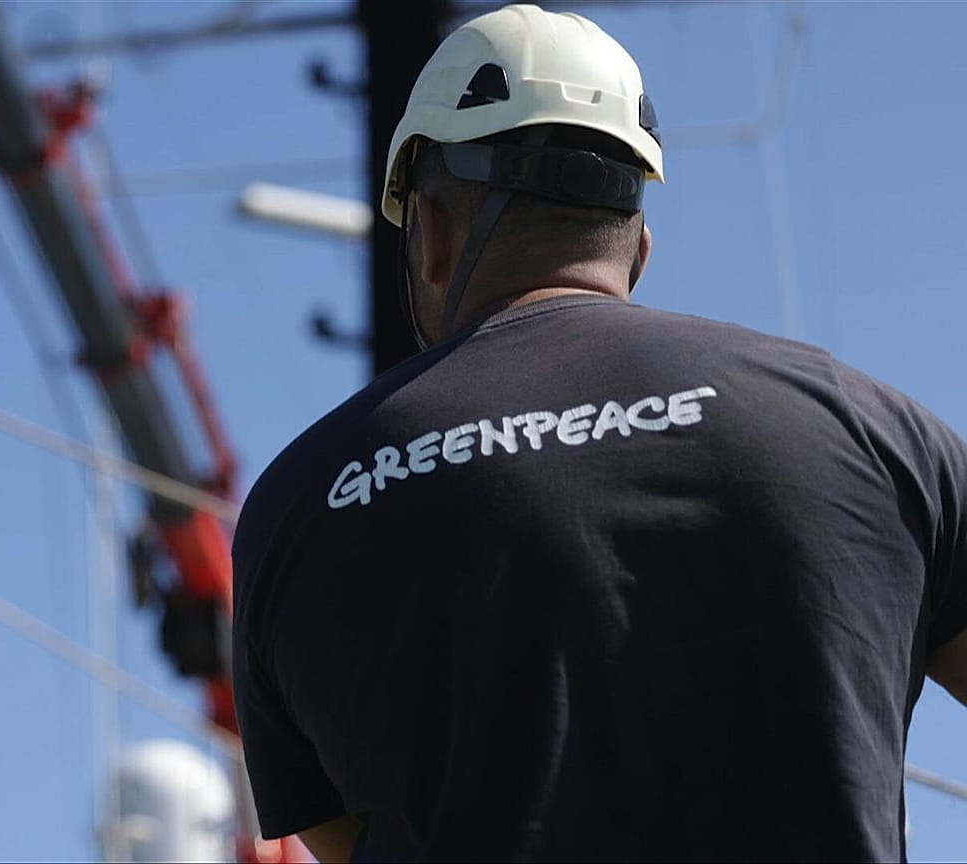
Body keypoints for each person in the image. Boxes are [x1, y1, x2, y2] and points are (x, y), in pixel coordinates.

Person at [229, 4, 967, 862]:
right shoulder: (865, 425)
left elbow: (344, 839)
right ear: (638, 246)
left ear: (429, 233)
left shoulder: (303, 501)